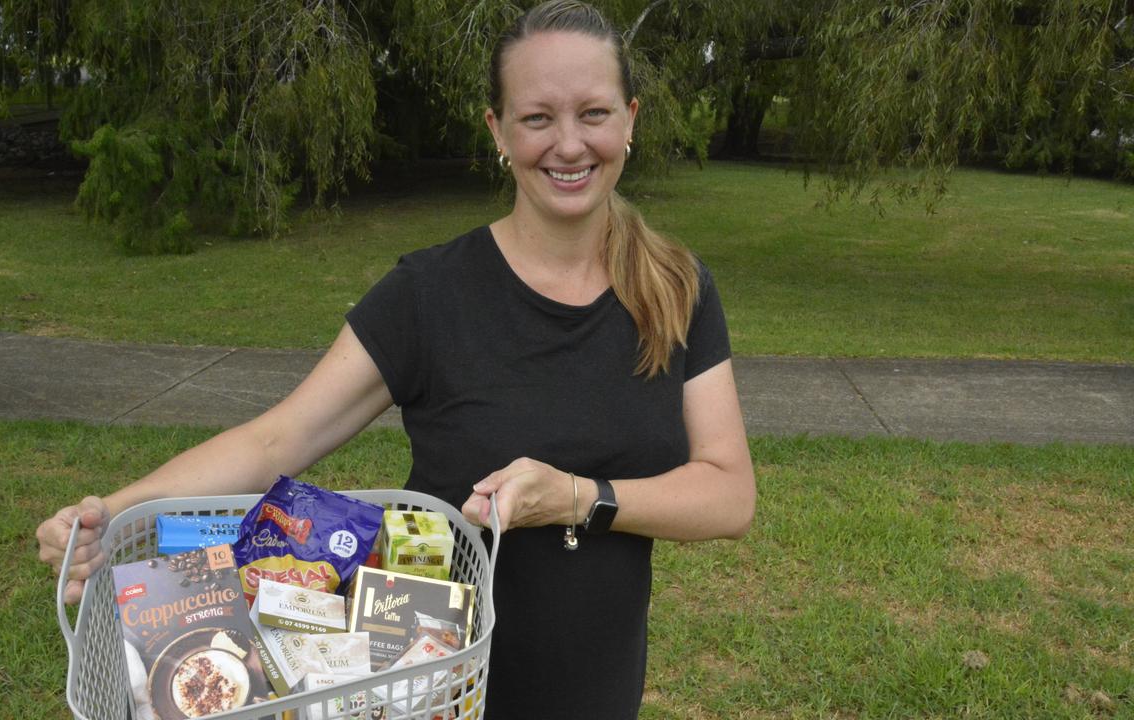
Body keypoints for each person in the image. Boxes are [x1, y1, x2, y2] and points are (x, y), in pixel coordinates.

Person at [36, 2, 755, 717]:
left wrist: (574, 497)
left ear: (629, 119)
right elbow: (276, 439)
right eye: (538, 118)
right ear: (497, 131)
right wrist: (113, 510)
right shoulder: (428, 294)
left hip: (596, 692)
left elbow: (728, 494)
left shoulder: (675, 287)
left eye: (593, 113)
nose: (569, 145)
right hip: (431, 693)